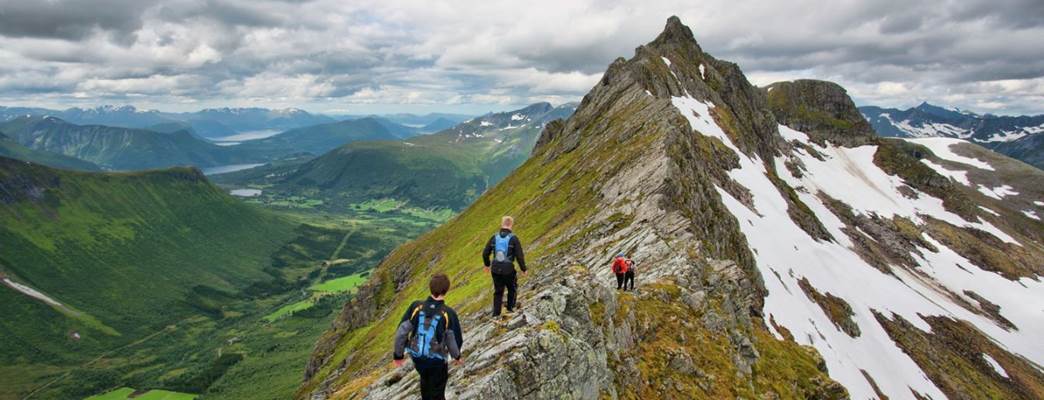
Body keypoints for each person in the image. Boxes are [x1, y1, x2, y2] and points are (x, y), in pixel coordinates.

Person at [392, 273, 464, 400]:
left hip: (418, 357)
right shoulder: (448, 313)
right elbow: (453, 339)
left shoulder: (416, 306)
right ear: (446, 290)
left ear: (430, 288)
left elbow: (401, 332)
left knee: (425, 383)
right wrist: (456, 356)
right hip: (437, 362)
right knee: (437, 392)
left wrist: (398, 355)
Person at [482, 216, 527, 317]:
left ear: (502, 224)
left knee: (498, 291)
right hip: (508, 270)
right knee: (512, 288)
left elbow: (485, 253)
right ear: (511, 225)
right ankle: (510, 309)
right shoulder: (514, 238)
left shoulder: (494, 237)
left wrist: (487, 265)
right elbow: (520, 256)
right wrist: (523, 269)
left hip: (495, 269)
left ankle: (496, 314)